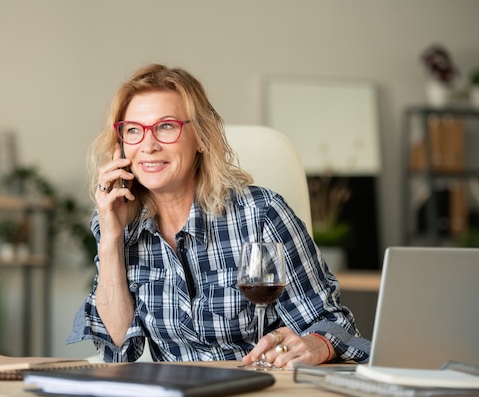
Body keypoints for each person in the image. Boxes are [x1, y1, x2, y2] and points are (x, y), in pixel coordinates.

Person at [66, 63, 371, 368]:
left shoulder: (261, 214)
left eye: (166, 126)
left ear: (200, 138)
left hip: (256, 387)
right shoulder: (119, 226)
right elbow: (118, 350)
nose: (148, 145)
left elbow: (332, 322)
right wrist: (111, 239)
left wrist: (315, 345)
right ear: (121, 145)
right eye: (133, 130)